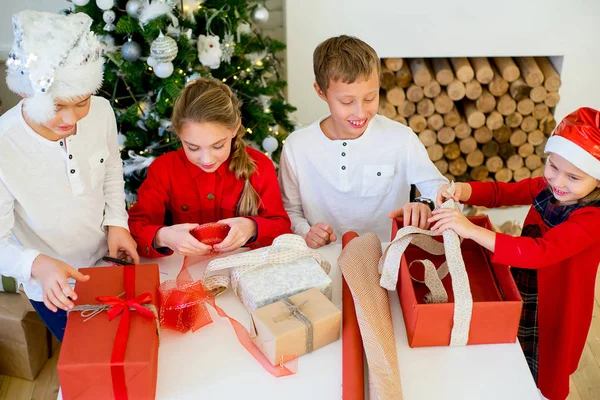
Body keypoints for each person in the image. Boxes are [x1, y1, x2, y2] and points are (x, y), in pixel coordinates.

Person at [429, 107, 600, 400]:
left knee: (546, 360)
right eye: (553, 166)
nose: (558, 182)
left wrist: (471, 229)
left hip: (557, 303)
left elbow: (541, 252)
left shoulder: (592, 220)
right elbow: (502, 193)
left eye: (573, 177)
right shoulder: (547, 188)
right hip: (526, 280)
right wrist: (463, 190)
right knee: (515, 343)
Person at [0, 11, 139, 341]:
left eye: (82, 102)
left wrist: (117, 222)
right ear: (25, 94)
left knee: (124, 347)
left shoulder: (102, 112)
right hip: (54, 289)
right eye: (57, 105)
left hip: (106, 264)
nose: (70, 119)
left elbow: (110, 171)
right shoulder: (5, 145)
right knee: (87, 358)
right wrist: (37, 265)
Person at [279, 35, 447, 248]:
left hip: (388, 259)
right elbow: (290, 211)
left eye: (370, 98)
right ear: (321, 92)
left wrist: (426, 203)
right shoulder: (297, 146)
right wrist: (306, 232)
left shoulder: (401, 139)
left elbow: (442, 191)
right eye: (347, 101)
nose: (361, 112)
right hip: (322, 260)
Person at [128, 78, 291, 258]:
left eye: (218, 146)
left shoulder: (259, 166)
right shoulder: (163, 169)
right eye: (193, 147)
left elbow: (282, 227)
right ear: (178, 133)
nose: (207, 159)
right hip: (185, 271)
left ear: (234, 129)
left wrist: (252, 227)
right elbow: (135, 226)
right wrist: (163, 237)